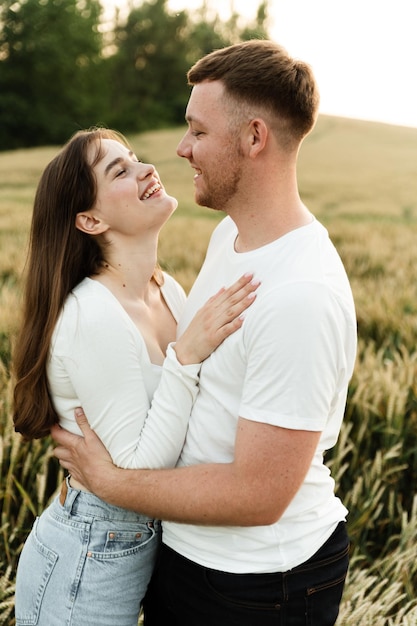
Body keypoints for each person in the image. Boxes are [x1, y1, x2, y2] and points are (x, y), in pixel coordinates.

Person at [52, 39, 357, 626]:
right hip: (189, 559)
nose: (180, 148)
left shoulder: (300, 295)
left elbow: (259, 496)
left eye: (197, 130)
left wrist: (110, 483)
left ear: (254, 138)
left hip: (259, 587)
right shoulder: (232, 238)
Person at [12, 127, 259, 626]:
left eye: (136, 157)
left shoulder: (168, 290)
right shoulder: (93, 314)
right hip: (87, 557)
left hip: (149, 543)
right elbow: (137, 466)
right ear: (90, 218)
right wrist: (184, 356)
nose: (147, 169)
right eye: (119, 170)